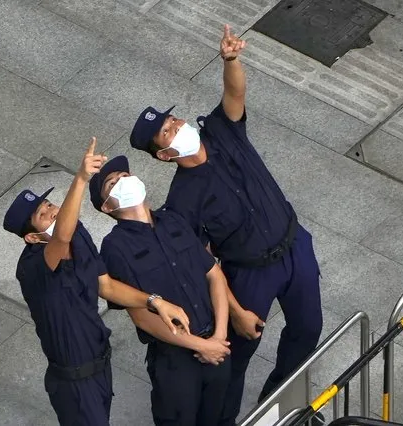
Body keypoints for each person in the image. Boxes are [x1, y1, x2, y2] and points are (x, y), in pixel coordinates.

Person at [128, 25, 323, 426]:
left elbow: (235, 94)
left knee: (308, 330)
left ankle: (283, 408)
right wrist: (233, 310)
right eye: (167, 131)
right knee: (237, 355)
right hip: (250, 274)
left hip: (294, 246)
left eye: (172, 118)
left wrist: (231, 60)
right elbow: (200, 258)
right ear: (164, 155)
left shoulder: (221, 131)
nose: (177, 125)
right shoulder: (182, 201)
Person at [3, 138, 191, 426]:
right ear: (32, 237)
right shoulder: (34, 266)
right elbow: (61, 237)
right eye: (43, 215)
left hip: (100, 364)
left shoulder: (77, 233)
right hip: (75, 381)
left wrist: (155, 301)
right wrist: (81, 178)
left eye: (50, 204)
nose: (53, 211)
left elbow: (106, 286)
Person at [89, 155, 232, 426]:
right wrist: (201, 345)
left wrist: (219, 336)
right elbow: (142, 316)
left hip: (217, 340)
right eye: (112, 183)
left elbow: (213, 274)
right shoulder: (116, 246)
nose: (123, 180)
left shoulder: (173, 221)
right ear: (107, 207)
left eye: (123, 175)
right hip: (175, 358)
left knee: (217, 417)